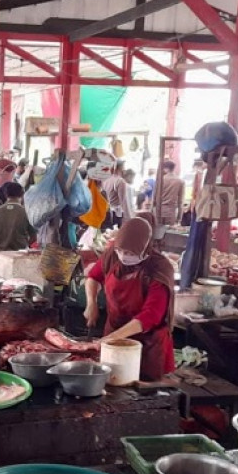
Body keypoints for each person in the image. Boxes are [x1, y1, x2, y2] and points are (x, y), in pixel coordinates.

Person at [84, 217, 176, 381]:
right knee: (110, 382)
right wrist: (91, 303)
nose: (123, 256)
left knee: (143, 389)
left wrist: (111, 338)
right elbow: (93, 276)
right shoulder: (113, 255)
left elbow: (151, 316)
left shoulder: (160, 268)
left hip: (148, 345)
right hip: (113, 331)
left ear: (145, 249)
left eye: (130, 253)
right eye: (120, 250)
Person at [0, 182, 36, 251]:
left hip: (0, 253)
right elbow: (33, 237)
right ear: (22, 194)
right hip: (20, 253)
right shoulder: (26, 212)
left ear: (6, 195)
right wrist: (25, 245)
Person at [102, 161, 134, 227]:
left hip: (106, 212)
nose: (124, 170)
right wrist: (129, 219)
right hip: (116, 214)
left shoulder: (106, 179)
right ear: (120, 168)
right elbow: (124, 202)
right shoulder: (120, 181)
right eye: (124, 167)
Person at [159, 160, 185, 225]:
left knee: (159, 230)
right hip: (171, 212)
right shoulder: (180, 181)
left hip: (159, 211)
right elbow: (180, 201)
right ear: (173, 168)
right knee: (169, 230)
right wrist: (179, 217)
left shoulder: (160, 180)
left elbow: (155, 197)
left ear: (166, 168)